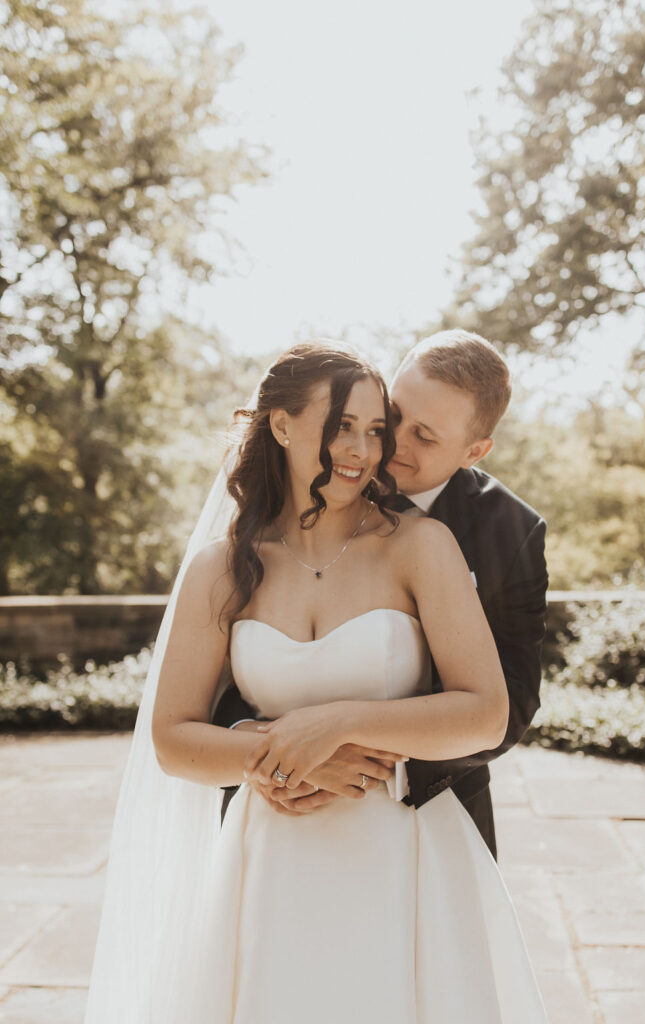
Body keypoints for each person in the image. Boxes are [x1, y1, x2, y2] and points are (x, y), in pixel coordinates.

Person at [85, 340, 548, 1023]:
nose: (372, 450)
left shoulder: (437, 540)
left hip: (408, 834)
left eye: (381, 431)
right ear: (281, 425)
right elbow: (172, 736)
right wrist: (271, 756)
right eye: (352, 424)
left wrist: (336, 726)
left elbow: (493, 711)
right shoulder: (222, 567)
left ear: (471, 450)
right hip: (270, 843)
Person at [214, 329, 548, 862]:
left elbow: (509, 703)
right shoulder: (314, 476)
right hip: (272, 807)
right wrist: (265, 746)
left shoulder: (511, 531)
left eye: (425, 436)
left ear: (474, 450)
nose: (389, 446)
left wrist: (355, 752)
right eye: (392, 417)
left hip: (430, 811)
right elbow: (232, 658)